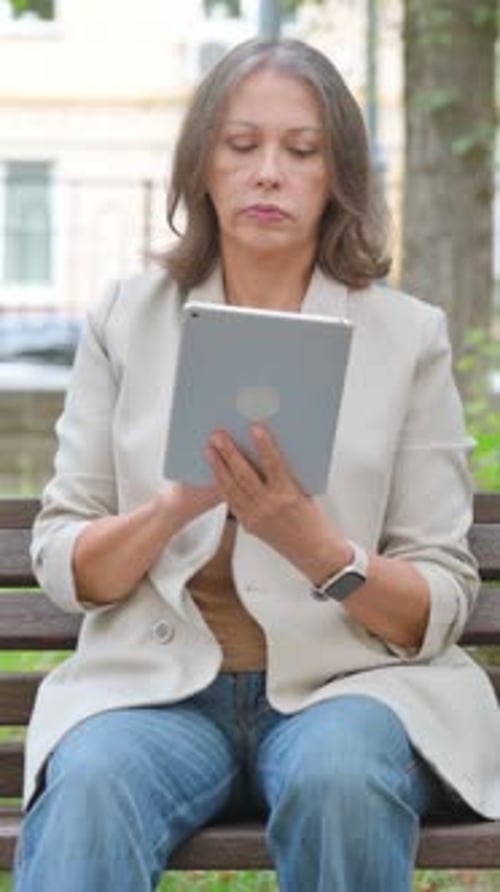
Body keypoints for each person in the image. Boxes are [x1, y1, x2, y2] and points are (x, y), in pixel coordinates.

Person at [14, 37, 500, 892]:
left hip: (351, 688)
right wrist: (172, 509)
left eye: (301, 151)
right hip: (158, 693)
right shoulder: (128, 319)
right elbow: (64, 558)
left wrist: (316, 548)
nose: (268, 172)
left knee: (339, 780)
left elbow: (442, 598)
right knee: (92, 784)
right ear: (202, 165)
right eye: (242, 147)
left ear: (337, 176)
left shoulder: (404, 336)